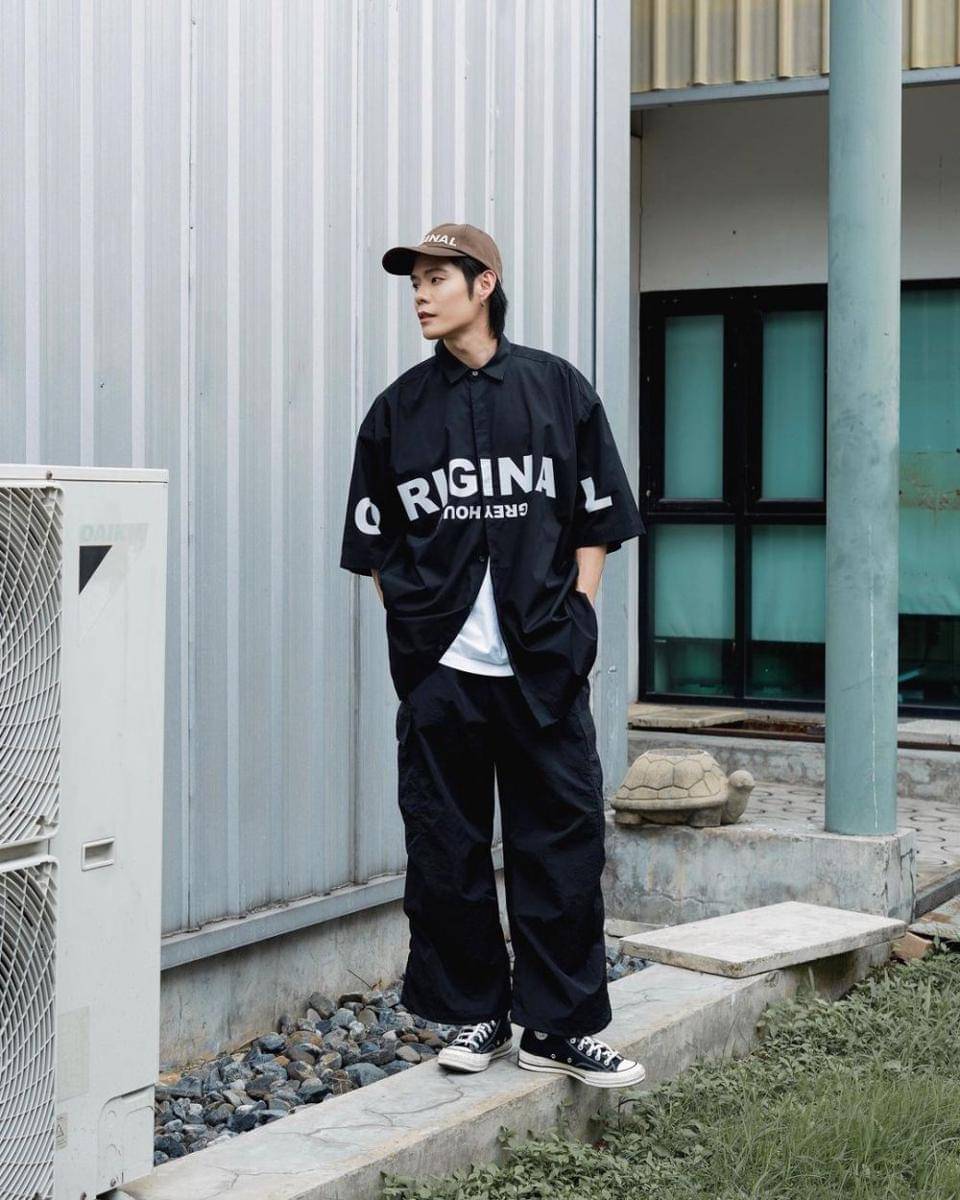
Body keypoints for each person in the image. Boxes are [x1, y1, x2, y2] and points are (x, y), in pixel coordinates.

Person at [339, 222, 646, 1088]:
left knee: (562, 849)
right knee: (448, 851)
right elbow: (375, 544)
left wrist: (577, 612)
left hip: (542, 665)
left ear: (484, 286)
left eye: (436, 279)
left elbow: (596, 517)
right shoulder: (398, 411)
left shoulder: (557, 389)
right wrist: (419, 633)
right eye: (414, 283)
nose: (420, 296)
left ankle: (559, 1028)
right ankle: (478, 1013)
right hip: (446, 673)